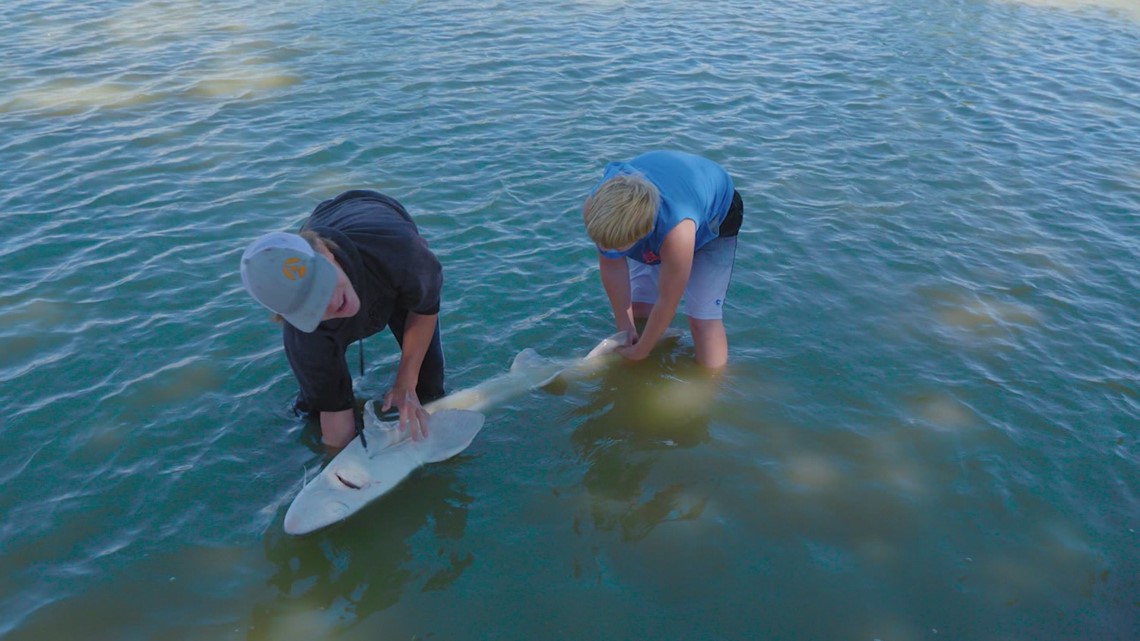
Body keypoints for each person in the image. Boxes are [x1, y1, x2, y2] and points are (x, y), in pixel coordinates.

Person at [240, 190, 446, 448]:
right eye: (312, 303)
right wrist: (339, 464)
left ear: (327, 254)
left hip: (376, 223)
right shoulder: (303, 333)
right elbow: (335, 425)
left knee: (429, 387)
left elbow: (425, 307)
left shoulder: (403, 252)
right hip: (323, 239)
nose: (331, 303)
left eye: (323, 284)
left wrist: (406, 381)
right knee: (316, 408)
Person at [582, 150, 743, 369]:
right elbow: (611, 264)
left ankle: (710, 385)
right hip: (662, 201)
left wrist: (641, 351)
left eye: (619, 247)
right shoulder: (596, 207)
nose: (607, 251)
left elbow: (668, 300)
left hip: (718, 213)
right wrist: (625, 329)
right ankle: (651, 347)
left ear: (643, 233)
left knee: (702, 320)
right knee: (638, 309)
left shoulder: (677, 233)